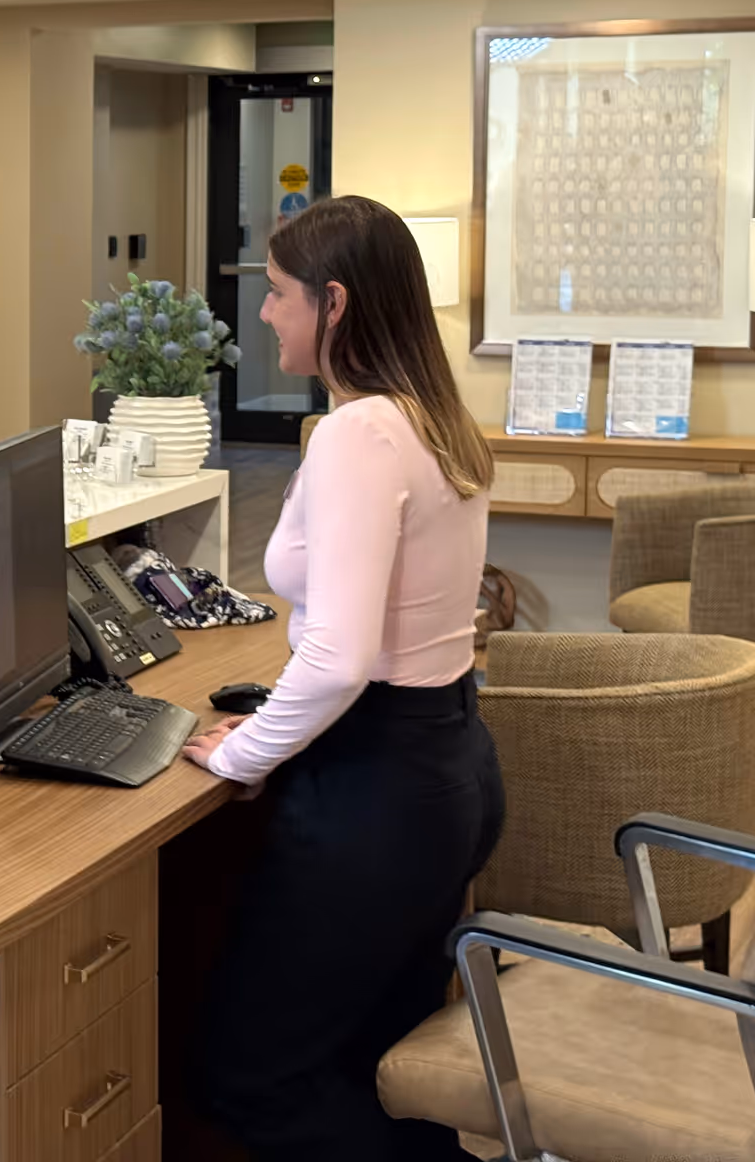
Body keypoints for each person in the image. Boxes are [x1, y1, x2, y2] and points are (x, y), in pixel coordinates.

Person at [181, 196, 504, 1161]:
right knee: (372, 1061)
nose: (265, 315)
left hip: (376, 789)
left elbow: (338, 658)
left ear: (335, 303)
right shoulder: (432, 415)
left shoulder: (358, 435)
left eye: (278, 295)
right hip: (447, 764)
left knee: (249, 1078)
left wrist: (243, 751)